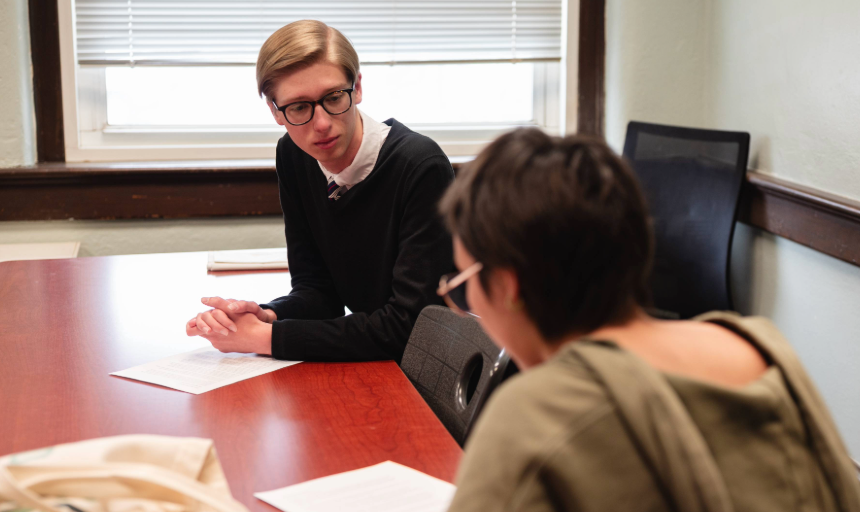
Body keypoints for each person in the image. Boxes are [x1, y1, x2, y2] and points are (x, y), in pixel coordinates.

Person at [437, 128, 860, 511]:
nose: (464, 302)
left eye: (463, 283)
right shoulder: (759, 345)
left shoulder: (532, 417)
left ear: (510, 287)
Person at [185, 20, 454, 362]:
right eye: (299, 107)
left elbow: (412, 328)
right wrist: (268, 316)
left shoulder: (419, 166)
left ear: (356, 88)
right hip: (369, 359)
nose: (322, 123)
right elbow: (319, 293)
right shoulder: (295, 155)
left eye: (333, 97)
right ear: (275, 111)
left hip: (424, 366)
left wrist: (265, 338)